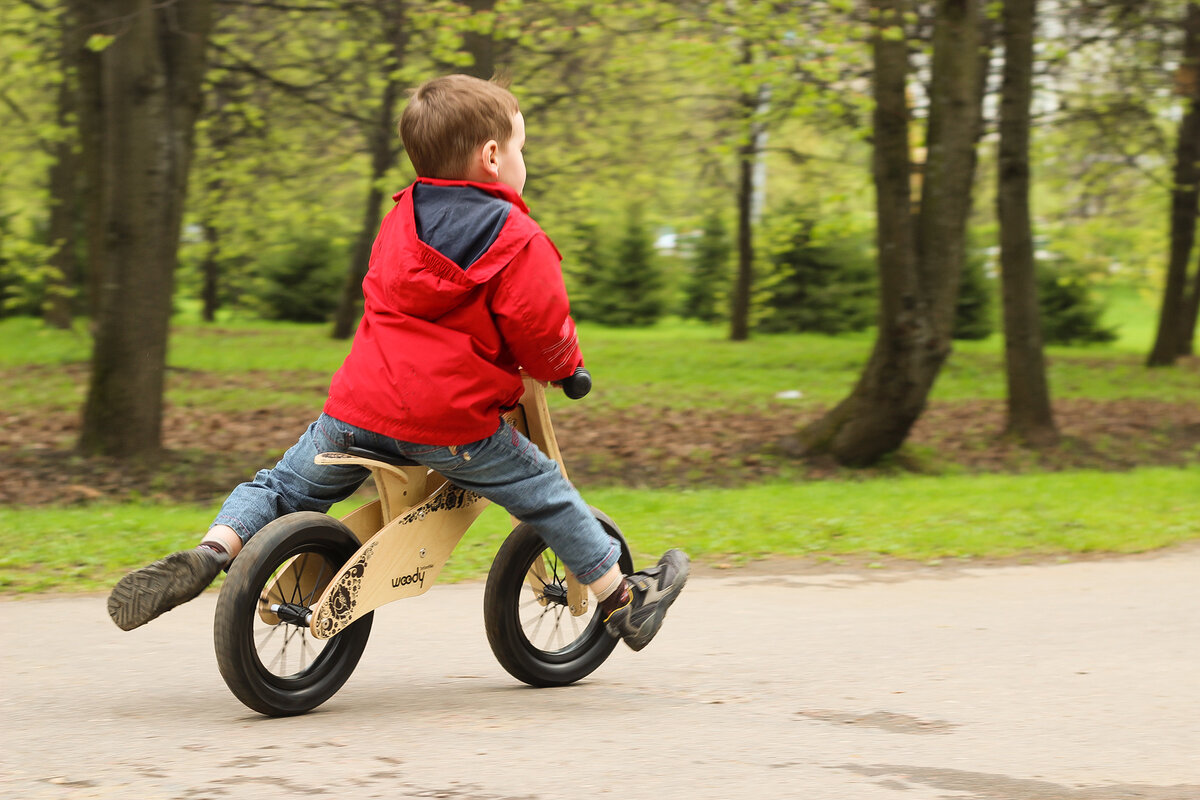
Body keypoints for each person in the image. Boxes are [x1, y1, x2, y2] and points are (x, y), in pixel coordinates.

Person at [107, 74, 688, 652]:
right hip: (451, 428)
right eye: (520, 148)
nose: (522, 160)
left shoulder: (402, 218)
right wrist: (566, 369)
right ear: (492, 156)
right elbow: (542, 328)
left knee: (282, 484)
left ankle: (214, 549)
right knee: (545, 488)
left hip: (357, 409)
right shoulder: (520, 238)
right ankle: (624, 601)